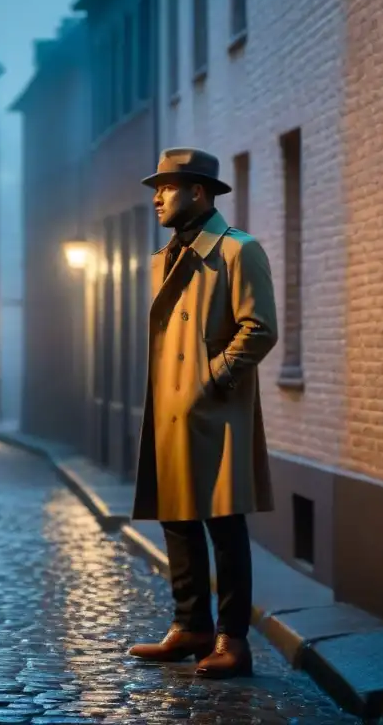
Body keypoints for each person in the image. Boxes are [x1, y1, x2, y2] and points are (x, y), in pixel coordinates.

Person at [127, 148, 278, 679]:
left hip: (213, 411)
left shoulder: (238, 251)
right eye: (156, 189)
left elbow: (259, 328)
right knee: (176, 516)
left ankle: (232, 639)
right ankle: (190, 624)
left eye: (166, 187)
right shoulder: (162, 258)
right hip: (171, 409)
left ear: (198, 191)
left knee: (223, 522)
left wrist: (210, 380)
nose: (157, 198)